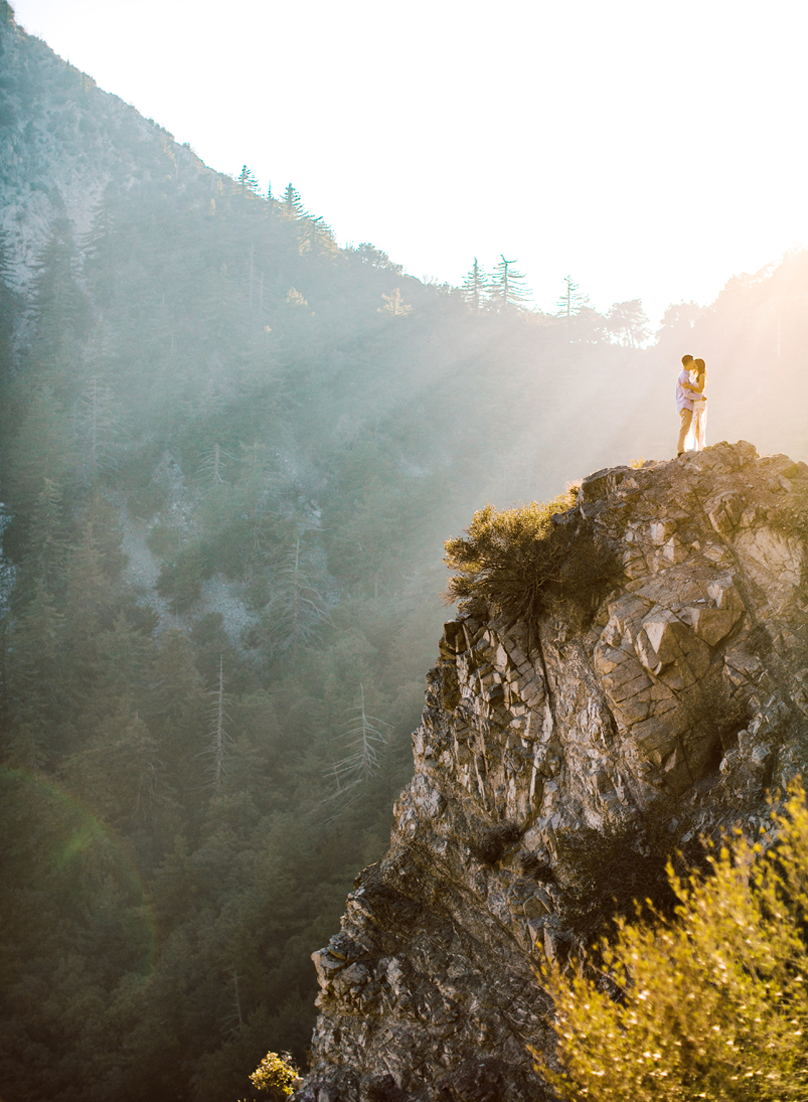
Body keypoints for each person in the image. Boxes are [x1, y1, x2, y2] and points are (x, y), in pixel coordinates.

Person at [675, 354, 703, 456]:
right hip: (685, 405)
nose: (694, 363)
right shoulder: (683, 376)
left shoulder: (686, 375)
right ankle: (680, 450)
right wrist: (699, 397)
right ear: (688, 363)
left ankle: (699, 446)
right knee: (685, 428)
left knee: (693, 427)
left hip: (688, 405)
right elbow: (687, 394)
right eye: (692, 361)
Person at [689, 358, 707, 451]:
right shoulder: (696, 376)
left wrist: (688, 386)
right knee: (695, 424)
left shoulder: (701, 376)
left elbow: (700, 389)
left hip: (699, 402)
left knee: (698, 423)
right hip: (696, 401)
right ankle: (699, 445)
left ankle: (700, 445)